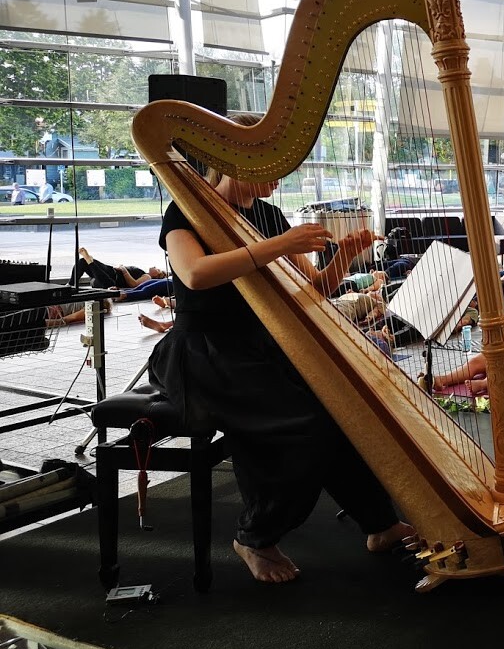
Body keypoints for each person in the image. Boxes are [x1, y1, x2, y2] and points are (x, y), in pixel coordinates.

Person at [148, 147, 411, 584]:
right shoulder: (187, 211)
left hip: (261, 349)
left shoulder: (268, 215)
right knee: (306, 426)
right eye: (270, 169)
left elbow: (314, 289)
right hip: (203, 352)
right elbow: (194, 274)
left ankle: (379, 524)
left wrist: (344, 255)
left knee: (342, 411)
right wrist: (280, 245)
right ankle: (254, 537)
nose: (278, 179)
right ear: (234, 163)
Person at [70, 247, 167, 290]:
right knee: (82, 262)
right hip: (109, 274)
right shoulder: (144, 273)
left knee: (85, 262)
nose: (155, 267)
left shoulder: (148, 277)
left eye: (158, 269)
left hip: (113, 276)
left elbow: (134, 284)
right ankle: (70, 284)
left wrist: (124, 270)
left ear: (156, 276)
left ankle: (89, 262)